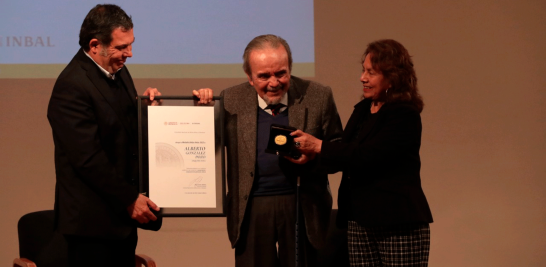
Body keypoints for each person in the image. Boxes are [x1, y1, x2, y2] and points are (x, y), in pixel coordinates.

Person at [47, 4, 214, 266]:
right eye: (122, 47)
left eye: (131, 44)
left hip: (120, 221)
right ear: (94, 45)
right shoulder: (71, 86)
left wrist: (149, 112)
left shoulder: (118, 71)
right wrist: (129, 198)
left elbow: (123, 130)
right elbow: (88, 159)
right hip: (91, 227)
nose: (130, 53)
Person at [289, 39, 434, 266]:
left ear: (392, 77)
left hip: (396, 222)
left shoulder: (404, 114)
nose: (362, 78)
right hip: (359, 219)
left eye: (371, 72)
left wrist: (319, 146)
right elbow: (344, 154)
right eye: (363, 70)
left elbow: (368, 155)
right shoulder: (364, 109)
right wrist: (310, 156)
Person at [217, 34, 343, 267]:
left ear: (290, 69)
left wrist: (313, 156)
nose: (274, 83)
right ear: (249, 77)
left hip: (302, 204)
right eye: (264, 76)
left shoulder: (318, 95)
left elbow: (338, 151)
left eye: (281, 73)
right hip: (251, 206)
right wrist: (200, 110)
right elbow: (207, 143)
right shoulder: (230, 99)